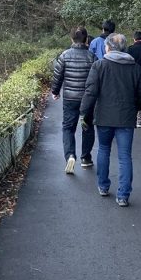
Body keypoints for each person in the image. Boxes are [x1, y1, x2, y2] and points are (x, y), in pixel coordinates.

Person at [81, 33, 141, 206]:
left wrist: (84, 112)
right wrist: (135, 108)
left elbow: (90, 92)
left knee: (103, 149)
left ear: (108, 47)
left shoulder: (99, 66)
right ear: (124, 48)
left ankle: (103, 186)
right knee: (125, 156)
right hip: (126, 117)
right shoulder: (135, 67)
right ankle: (123, 195)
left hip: (104, 115)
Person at [51, 26, 96, 174]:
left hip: (70, 99)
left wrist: (55, 92)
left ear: (71, 39)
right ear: (86, 39)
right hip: (87, 100)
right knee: (87, 126)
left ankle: (70, 155)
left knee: (68, 128)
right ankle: (85, 158)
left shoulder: (64, 56)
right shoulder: (92, 57)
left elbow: (58, 76)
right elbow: (96, 80)